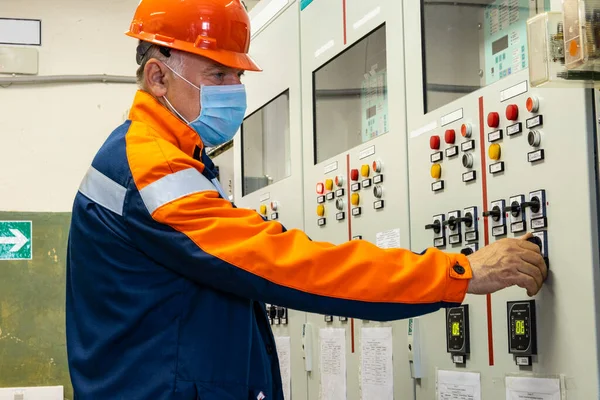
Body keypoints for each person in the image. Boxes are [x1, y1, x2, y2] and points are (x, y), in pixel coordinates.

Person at [65, 0, 548, 398]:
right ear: (158, 77)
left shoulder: (165, 156)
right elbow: (283, 264)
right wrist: (456, 272)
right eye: (218, 75)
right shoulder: (152, 166)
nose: (236, 92)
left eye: (238, 76)